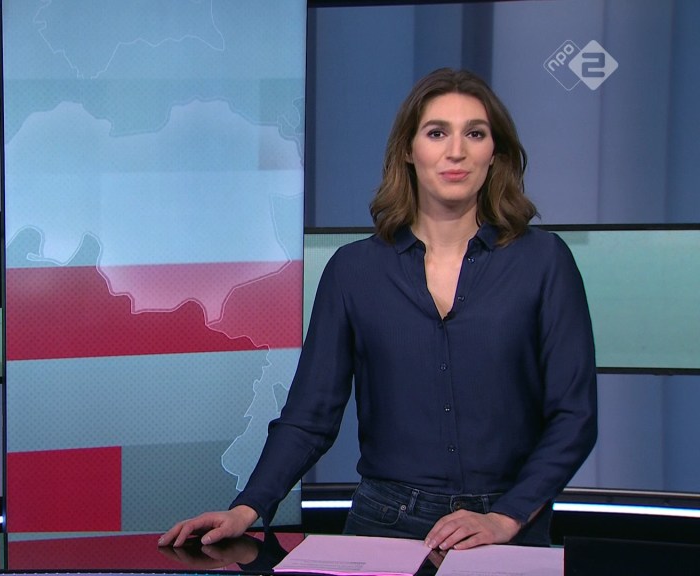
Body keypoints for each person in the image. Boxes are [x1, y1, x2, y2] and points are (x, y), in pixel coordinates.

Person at [158, 68, 598, 552]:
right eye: (437, 133)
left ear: (495, 153)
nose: (456, 151)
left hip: (507, 524)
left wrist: (506, 517)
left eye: (475, 134)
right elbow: (310, 415)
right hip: (386, 521)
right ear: (408, 150)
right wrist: (247, 506)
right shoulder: (353, 270)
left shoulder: (544, 261)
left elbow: (574, 416)